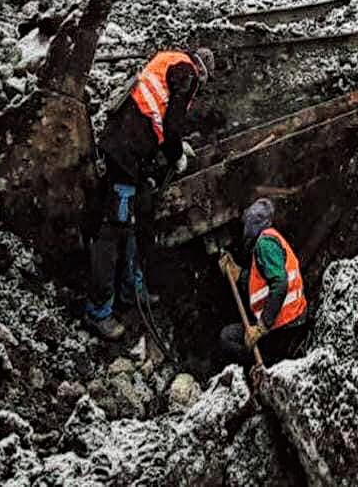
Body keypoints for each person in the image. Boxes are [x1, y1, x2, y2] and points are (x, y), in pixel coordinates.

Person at [84, 47, 214, 340]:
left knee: (139, 222)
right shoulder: (188, 74)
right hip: (126, 155)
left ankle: (133, 291)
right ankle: (98, 311)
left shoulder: (170, 60)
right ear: (201, 73)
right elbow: (171, 124)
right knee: (114, 230)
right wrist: (176, 153)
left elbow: (156, 112)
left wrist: (174, 147)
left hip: (130, 149)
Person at [218, 199, 308, 361]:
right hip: (290, 320)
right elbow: (261, 283)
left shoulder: (265, 245)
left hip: (284, 326)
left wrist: (261, 328)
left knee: (227, 339)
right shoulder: (270, 240)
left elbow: (280, 284)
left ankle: (267, 367)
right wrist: (237, 273)